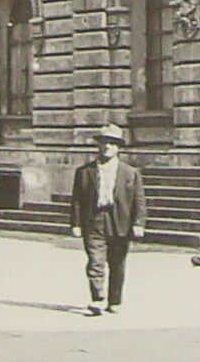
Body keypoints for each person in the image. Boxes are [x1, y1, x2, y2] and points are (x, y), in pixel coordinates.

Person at [70, 122, 147, 316]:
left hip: (120, 220)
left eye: (112, 143)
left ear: (118, 147)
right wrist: (76, 223)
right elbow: (77, 200)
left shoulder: (130, 173)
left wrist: (139, 223)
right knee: (95, 261)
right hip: (94, 219)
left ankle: (114, 301)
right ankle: (97, 299)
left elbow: (139, 200)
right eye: (104, 143)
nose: (107, 147)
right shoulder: (84, 172)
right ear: (98, 145)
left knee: (117, 263)